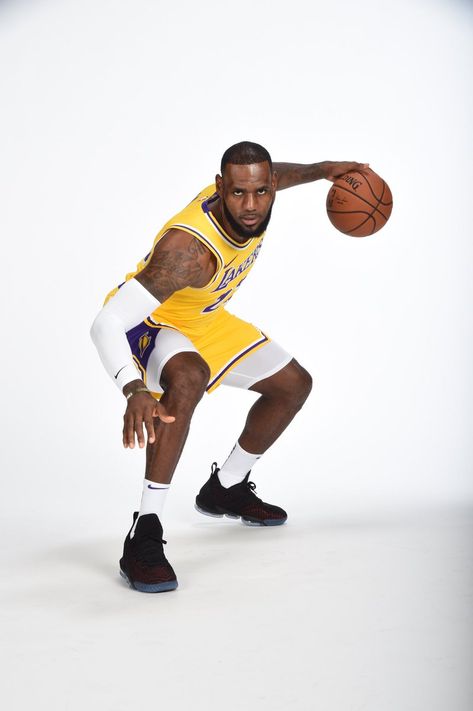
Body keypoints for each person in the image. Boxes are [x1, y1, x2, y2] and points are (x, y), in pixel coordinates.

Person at [90, 141, 367, 593]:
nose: (251, 205)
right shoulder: (189, 252)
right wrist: (133, 388)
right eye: (238, 193)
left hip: (202, 318)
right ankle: (145, 530)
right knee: (189, 377)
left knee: (293, 385)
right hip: (148, 322)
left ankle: (226, 487)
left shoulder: (261, 190)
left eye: (261, 191)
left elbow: (280, 173)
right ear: (221, 188)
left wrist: (323, 170)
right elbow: (107, 322)